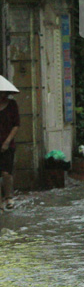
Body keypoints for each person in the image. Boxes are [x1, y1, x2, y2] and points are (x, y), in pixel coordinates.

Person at [0, 75, 20, 210]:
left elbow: (16, 125)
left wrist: (7, 142)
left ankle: (9, 198)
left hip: (8, 144)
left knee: (6, 173)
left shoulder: (12, 105)